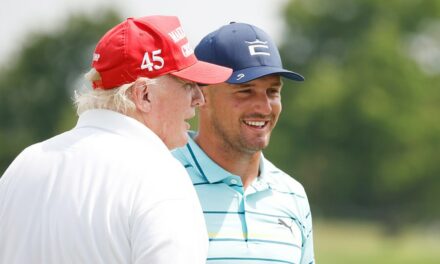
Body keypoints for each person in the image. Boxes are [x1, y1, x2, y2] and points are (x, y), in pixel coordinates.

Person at [0, 16, 232, 264]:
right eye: (188, 85)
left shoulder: (23, 165)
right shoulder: (159, 176)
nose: (199, 99)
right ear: (144, 95)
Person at [172, 22, 315, 264]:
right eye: (245, 90)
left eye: (272, 91)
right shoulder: (162, 178)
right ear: (200, 95)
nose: (264, 107)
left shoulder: (293, 195)